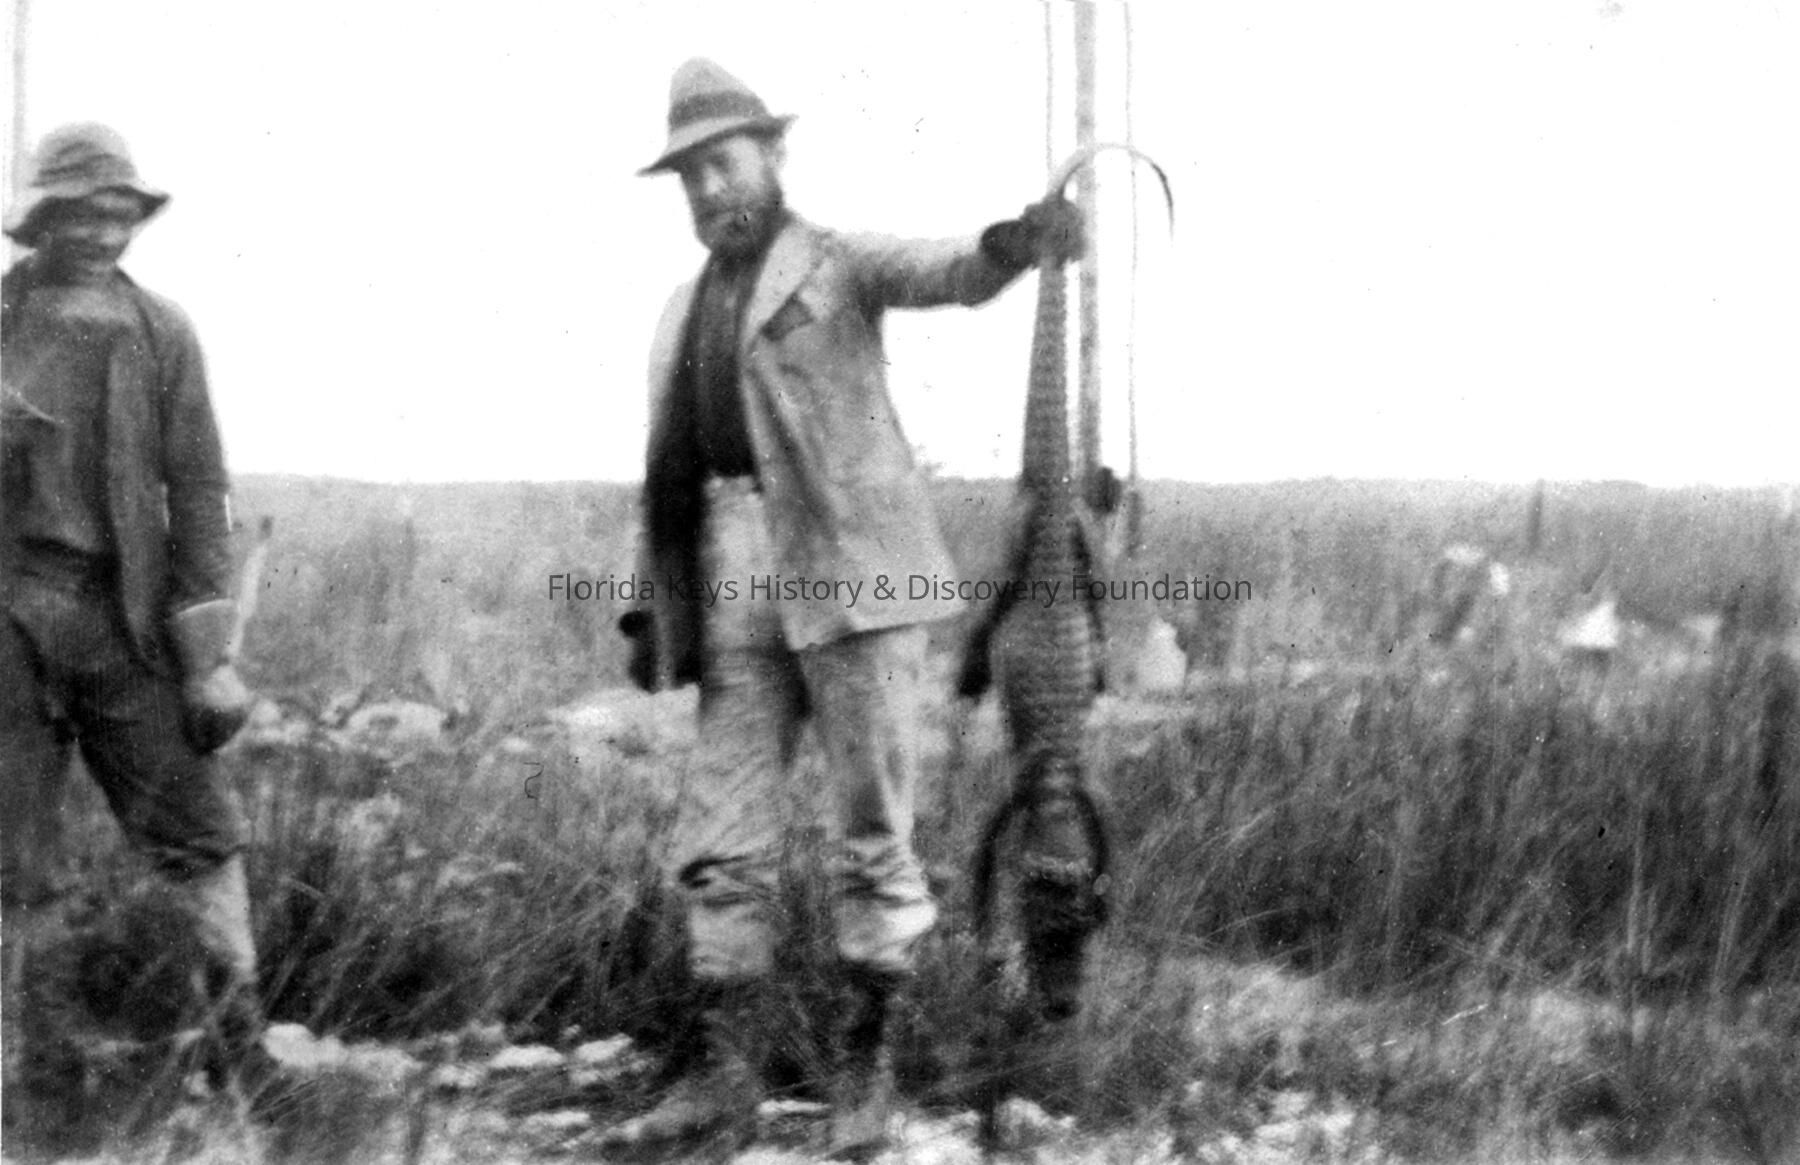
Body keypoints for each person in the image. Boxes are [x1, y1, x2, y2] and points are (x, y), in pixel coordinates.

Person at [611, 60, 1081, 1156]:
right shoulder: (681, 312)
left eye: (724, 163)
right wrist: (649, 609)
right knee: (723, 837)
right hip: (731, 576)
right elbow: (665, 467)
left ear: (773, 157)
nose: (709, 190)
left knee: (873, 831)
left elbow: (947, 268)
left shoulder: (836, 261)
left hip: (858, 576)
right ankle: (724, 1075)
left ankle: (865, 1074)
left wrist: (1017, 242)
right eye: (690, 176)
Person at [1, 123, 259, 1138]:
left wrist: (208, 659)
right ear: (43, 219)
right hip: (10, 623)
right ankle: (30, 1088)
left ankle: (247, 1061)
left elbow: (198, 491)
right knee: (12, 866)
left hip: (127, 626)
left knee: (200, 835)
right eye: (83, 214)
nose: (105, 233)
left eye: (121, 214)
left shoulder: (162, 332)